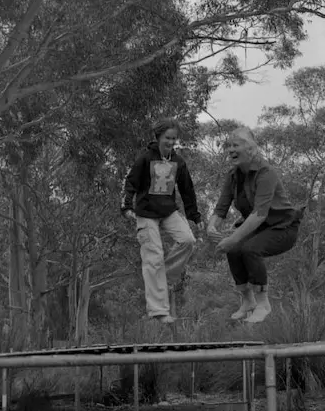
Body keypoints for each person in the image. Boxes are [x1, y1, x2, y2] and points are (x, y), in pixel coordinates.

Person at [207, 126, 302, 323]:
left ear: (250, 149)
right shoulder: (232, 176)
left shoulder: (266, 173)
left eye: (236, 145)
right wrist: (211, 226)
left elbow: (259, 214)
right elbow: (221, 208)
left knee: (250, 249)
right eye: (229, 146)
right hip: (260, 228)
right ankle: (247, 301)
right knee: (234, 251)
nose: (230, 150)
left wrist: (232, 238)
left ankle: (263, 303)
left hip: (283, 228)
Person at [122, 118, 203, 323]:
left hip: (168, 211)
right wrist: (126, 206)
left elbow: (187, 190)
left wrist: (194, 216)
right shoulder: (145, 159)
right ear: (158, 137)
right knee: (153, 256)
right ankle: (158, 311)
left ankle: (162, 276)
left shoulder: (178, 162)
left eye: (174, 139)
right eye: (168, 138)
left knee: (188, 240)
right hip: (146, 213)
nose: (171, 142)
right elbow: (131, 182)